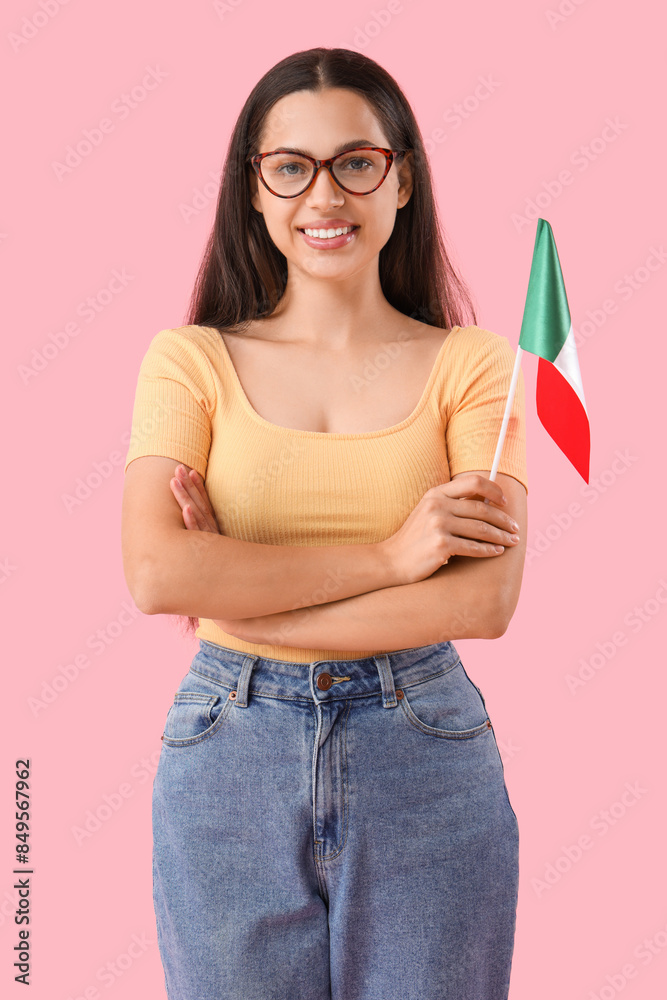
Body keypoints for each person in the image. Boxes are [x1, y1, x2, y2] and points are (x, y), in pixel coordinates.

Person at [121, 46, 528, 1000]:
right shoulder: (190, 361)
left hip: (423, 745)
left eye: (356, 161)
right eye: (290, 166)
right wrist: (395, 556)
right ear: (256, 191)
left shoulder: (474, 366)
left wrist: (244, 599)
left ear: (402, 179)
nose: (324, 195)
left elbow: (482, 600)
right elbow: (155, 572)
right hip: (227, 752)